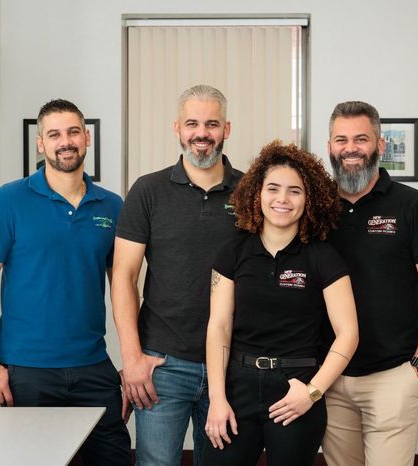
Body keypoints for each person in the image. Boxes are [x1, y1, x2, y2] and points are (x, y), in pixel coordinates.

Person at [0, 99, 131, 466]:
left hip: (92, 366)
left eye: (73, 132)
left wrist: (131, 358)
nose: (65, 141)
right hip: (25, 371)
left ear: (86, 138)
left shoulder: (111, 206)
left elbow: (124, 287)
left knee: (116, 461)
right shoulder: (9, 200)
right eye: (54, 134)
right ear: (40, 143)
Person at [201, 141, 359, 466]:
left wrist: (312, 392)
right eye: (273, 188)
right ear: (257, 193)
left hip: (296, 389)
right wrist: (217, 398)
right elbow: (219, 326)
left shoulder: (323, 257)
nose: (282, 199)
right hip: (236, 387)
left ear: (309, 199)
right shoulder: (232, 252)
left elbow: (348, 333)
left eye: (295, 191)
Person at [112, 84, 243, 466]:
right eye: (192, 123)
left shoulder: (251, 191)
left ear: (227, 129)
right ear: (177, 128)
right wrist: (132, 356)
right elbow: (124, 277)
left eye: (212, 123)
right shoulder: (147, 191)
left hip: (231, 364)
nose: (202, 133)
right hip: (161, 365)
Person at [321, 100, 418, 466]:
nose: (350, 148)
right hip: (329, 376)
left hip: (393, 376)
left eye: (361, 139)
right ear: (330, 146)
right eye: (341, 139)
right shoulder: (315, 209)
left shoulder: (414, 206)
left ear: (380, 145)